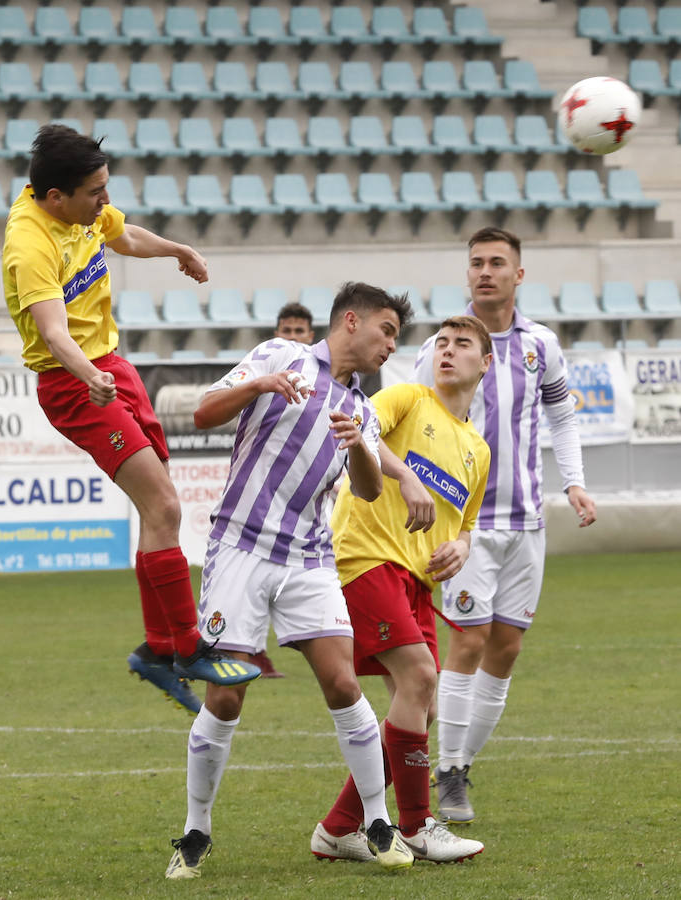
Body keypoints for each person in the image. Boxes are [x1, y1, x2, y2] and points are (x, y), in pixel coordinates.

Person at [1, 124, 261, 718]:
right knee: (167, 507)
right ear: (55, 197)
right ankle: (190, 646)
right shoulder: (30, 243)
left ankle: (158, 648)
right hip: (74, 382)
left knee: (156, 510)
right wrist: (89, 378)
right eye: (95, 192)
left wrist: (177, 251)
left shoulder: (80, 209)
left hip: (111, 366)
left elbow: (123, 237)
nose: (104, 201)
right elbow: (52, 331)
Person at [165, 282, 417, 879]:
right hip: (241, 547)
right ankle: (195, 832)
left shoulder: (361, 407)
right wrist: (258, 385)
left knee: (342, 683)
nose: (389, 345)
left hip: (309, 557)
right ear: (351, 321)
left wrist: (359, 447)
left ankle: (378, 822)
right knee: (226, 694)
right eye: (386, 331)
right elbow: (203, 411)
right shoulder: (284, 355)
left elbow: (367, 487)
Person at [411, 227, 597, 824]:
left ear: (519, 275)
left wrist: (573, 481)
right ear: (466, 276)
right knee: (466, 641)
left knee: (507, 648)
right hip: (466, 527)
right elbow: (409, 420)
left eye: (497, 263)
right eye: (476, 263)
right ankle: (448, 773)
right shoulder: (442, 345)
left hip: (528, 523)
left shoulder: (541, 344)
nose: (485, 271)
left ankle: (457, 767)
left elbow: (561, 415)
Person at [311, 316, 491, 865]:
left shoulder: (477, 451)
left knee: (423, 704)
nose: (448, 351)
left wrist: (462, 547)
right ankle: (415, 825)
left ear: (485, 364)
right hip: (365, 557)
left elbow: (466, 524)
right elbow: (358, 424)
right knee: (419, 677)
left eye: (463, 345)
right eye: (441, 342)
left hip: (414, 578)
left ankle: (340, 827)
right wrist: (405, 476)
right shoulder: (409, 398)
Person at [241, 301, 317, 679]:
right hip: (264, 490)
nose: (291, 337)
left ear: (312, 336)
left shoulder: (325, 379)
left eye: (298, 331)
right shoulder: (264, 373)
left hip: (308, 493)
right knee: (255, 568)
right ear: (276, 335)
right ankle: (252, 650)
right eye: (285, 331)